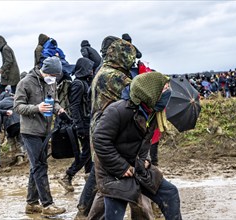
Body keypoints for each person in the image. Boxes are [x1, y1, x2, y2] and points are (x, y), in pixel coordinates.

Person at [93, 71, 182, 220]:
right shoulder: (117, 110)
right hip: (113, 172)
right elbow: (100, 140)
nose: (168, 92)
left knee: (170, 193)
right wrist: (121, 167)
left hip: (138, 167)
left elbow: (144, 143)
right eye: (164, 89)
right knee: (114, 215)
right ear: (150, 91)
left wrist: (146, 158)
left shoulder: (152, 112)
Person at [86, 36, 154, 220]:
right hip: (113, 139)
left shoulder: (102, 71)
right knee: (127, 186)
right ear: (120, 55)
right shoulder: (114, 76)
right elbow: (141, 96)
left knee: (107, 188)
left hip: (105, 134)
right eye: (128, 55)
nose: (131, 60)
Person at [13, 56, 66, 217]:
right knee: (40, 166)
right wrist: (37, 108)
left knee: (36, 166)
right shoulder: (25, 82)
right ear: (46, 71)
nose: (55, 79)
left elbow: (55, 100)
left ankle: (31, 203)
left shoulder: (52, 82)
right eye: (53, 75)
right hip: (29, 131)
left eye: (57, 77)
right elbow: (17, 106)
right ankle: (48, 204)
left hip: (45, 130)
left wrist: (59, 109)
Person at [58, 57, 94, 192]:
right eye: (89, 68)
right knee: (86, 153)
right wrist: (79, 126)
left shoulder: (84, 82)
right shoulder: (78, 84)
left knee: (88, 152)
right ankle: (68, 175)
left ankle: (89, 178)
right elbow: (74, 106)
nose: (91, 70)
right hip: (83, 124)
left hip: (87, 122)